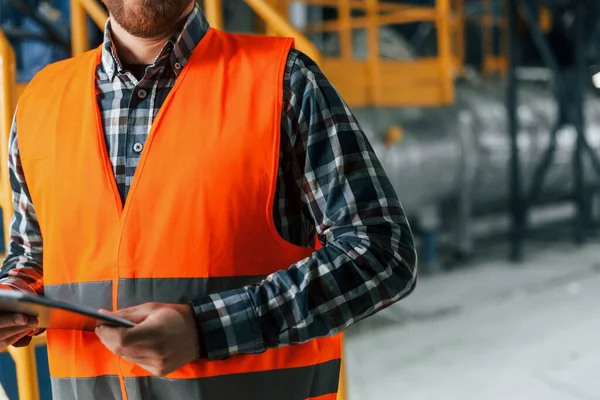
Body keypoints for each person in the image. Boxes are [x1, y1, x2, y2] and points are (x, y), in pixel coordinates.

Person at [0, 1, 417, 399]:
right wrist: (13, 296)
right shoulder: (40, 103)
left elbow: (381, 253)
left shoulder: (285, 82)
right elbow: (33, 258)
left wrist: (208, 329)